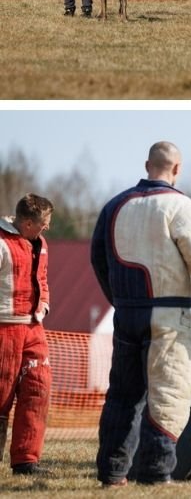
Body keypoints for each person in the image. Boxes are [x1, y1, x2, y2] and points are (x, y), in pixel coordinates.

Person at [90, 141, 191, 487]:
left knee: (123, 395)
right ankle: (155, 473)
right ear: (177, 169)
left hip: (126, 314)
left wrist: (120, 299)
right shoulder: (181, 207)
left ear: (146, 165)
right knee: (168, 392)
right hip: (168, 316)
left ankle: (112, 473)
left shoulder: (114, 206)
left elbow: (98, 259)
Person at [0, 194, 54, 476]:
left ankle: (26, 460)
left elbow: (42, 279)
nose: (47, 228)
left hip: (33, 327)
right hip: (4, 326)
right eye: (44, 223)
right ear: (28, 222)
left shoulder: (41, 244)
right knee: (1, 394)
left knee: (38, 388)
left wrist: (43, 303)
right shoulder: (1, 243)